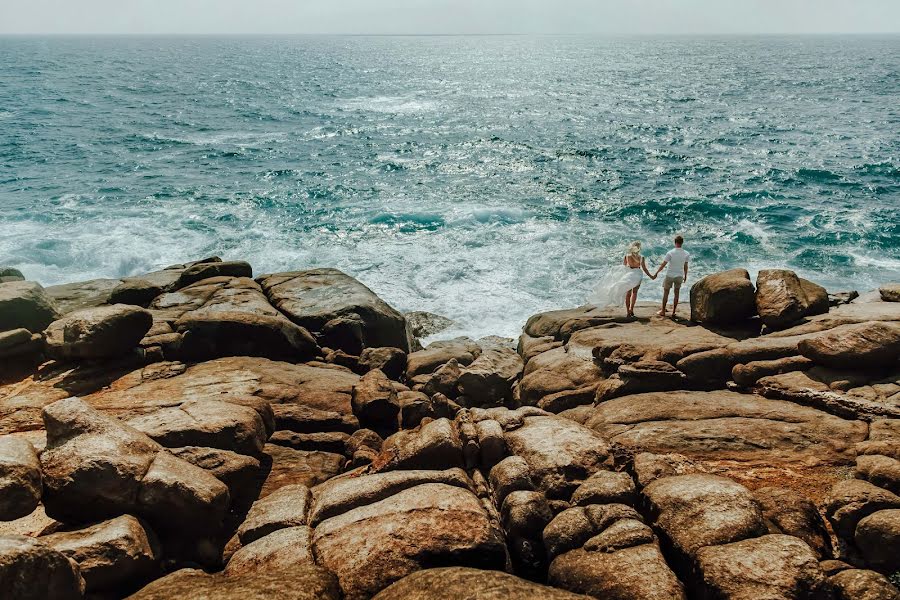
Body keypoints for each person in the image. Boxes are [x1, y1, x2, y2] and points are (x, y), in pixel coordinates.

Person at [588, 241, 656, 317]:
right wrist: (651, 276)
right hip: (638, 274)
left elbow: (623, 267)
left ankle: (628, 312)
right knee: (635, 293)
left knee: (628, 294)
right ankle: (631, 309)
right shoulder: (641, 257)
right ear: (639, 248)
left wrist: (618, 276)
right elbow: (645, 269)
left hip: (629, 275)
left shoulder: (627, 256)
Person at [654, 235, 690, 318]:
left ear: (675, 242)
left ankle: (663, 311)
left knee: (666, 293)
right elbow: (686, 266)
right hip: (679, 275)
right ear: (682, 243)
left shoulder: (670, 253)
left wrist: (657, 272)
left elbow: (663, 264)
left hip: (670, 275)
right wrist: (685, 275)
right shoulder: (686, 254)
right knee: (676, 293)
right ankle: (673, 312)